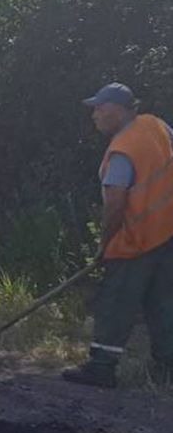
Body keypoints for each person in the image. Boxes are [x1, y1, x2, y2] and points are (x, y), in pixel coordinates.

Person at [63, 83, 173, 388]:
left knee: (115, 304)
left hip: (135, 242)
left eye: (100, 108)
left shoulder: (123, 149)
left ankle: (101, 368)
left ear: (120, 109)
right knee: (163, 304)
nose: (95, 115)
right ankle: (167, 368)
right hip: (168, 236)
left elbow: (114, 206)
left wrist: (104, 245)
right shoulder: (157, 125)